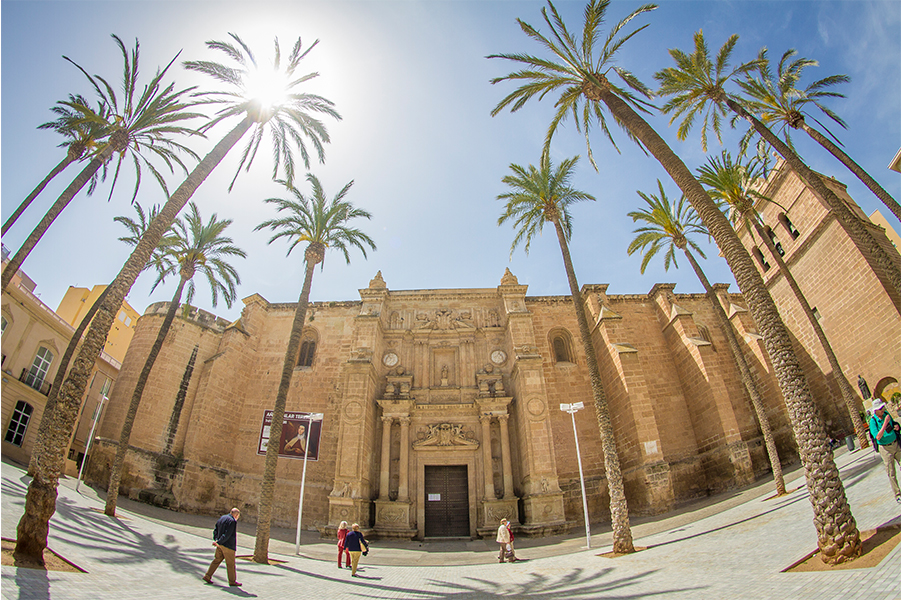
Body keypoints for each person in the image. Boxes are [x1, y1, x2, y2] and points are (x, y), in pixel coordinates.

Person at [869, 399, 901, 503]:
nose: (883, 409)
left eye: (883, 407)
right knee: (891, 472)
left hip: (895, 444)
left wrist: (896, 426)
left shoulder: (887, 414)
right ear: (876, 410)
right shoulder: (873, 421)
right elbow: (877, 436)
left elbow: (893, 424)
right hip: (885, 449)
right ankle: (897, 494)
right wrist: (885, 422)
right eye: (881, 408)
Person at [203, 508, 242, 587]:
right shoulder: (232, 521)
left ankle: (207, 575)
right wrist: (220, 541)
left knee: (217, 560)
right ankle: (232, 581)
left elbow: (215, 529)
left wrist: (216, 540)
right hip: (228, 545)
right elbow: (228, 534)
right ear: (236, 515)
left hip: (220, 545)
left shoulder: (222, 518)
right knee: (230, 564)